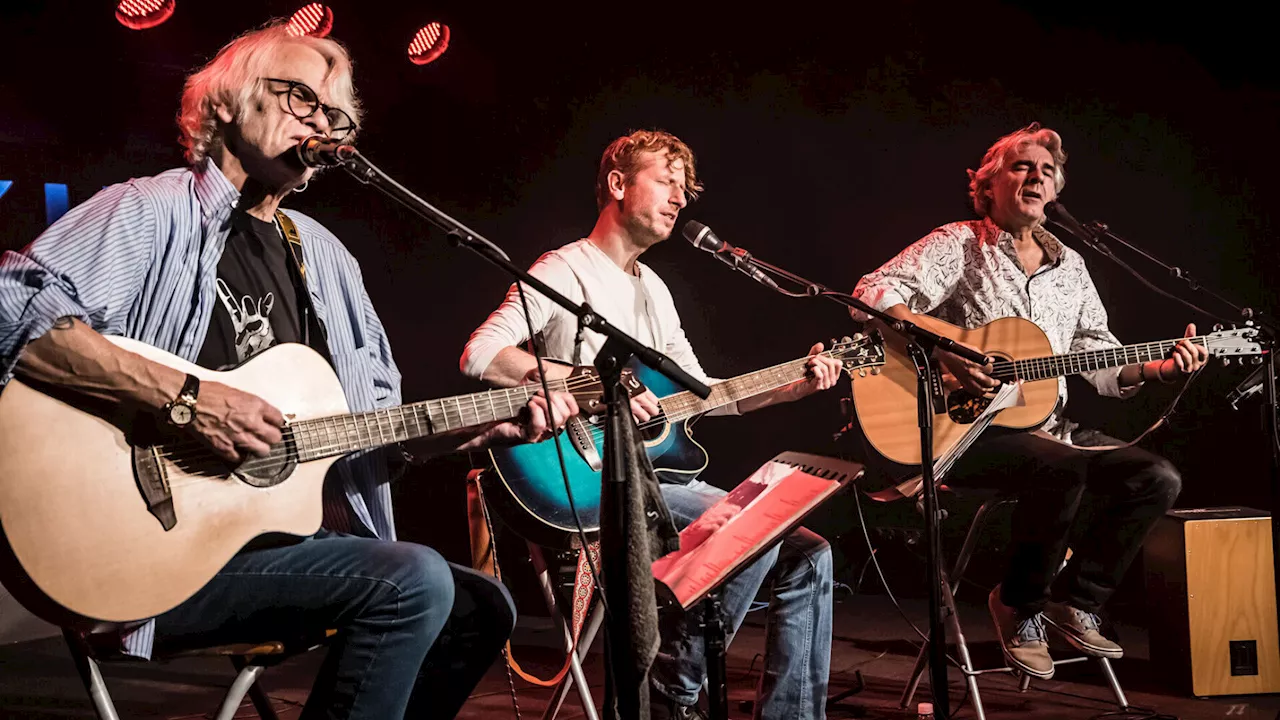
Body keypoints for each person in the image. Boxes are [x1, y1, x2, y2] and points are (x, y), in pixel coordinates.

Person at [0, 22, 579, 719]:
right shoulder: (150, 211)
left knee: (482, 606)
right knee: (416, 580)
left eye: (336, 116)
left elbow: (373, 438)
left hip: (268, 551)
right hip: (148, 547)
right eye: (301, 97)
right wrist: (188, 399)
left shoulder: (329, 260)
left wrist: (484, 427)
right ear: (225, 104)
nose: (322, 123)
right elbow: (12, 309)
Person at [461, 129, 842, 720]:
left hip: (657, 482)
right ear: (618, 184)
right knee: (753, 532)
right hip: (584, 475)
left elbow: (708, 396)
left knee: (809, 553)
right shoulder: (566, 268)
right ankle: (670, 693)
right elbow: (482, 355)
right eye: (666, 182)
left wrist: (794, 385)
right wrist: (593, 385)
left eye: (684, 189)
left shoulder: (655, 292)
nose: (680, 199)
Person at [851, 122, 1207, 679]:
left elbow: (1100, 356)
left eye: (1046, 170)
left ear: (1057, 188)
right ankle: (1019, 605)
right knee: (1061, 469)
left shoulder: (1073, 267)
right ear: (987, 185)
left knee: (1156, 477)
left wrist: (1162, 366)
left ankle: (1078, 599)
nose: (1035, 176)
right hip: (968, 430)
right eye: (1021, 166)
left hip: (1051, 427)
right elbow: (872, 294)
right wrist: (946, 354)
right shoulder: (958, 244)